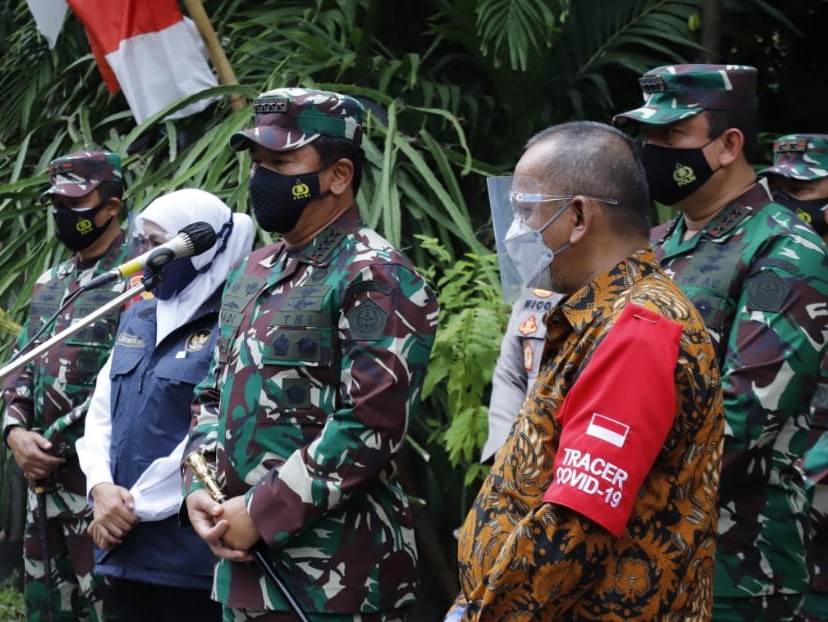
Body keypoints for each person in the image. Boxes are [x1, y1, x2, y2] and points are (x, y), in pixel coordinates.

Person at [183, 88, 439, 621]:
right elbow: (211, 392)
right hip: (245, 572)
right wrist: (199, 488)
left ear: (338, 175)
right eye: (257, 163)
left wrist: (262, 511)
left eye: (280, 164)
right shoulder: (253, 271)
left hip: (339, 579)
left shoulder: (375, 274)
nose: (262, 178)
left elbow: (371, 422)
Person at [450, 121, 723, 620]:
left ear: (578, 216)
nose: (513, 232)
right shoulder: (598, 315)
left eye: (526, 211)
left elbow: (576, 523)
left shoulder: (639, 329)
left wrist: (483, 612)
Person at [614, 65, 828, 620]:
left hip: (736, 567)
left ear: (729, 145)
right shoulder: (652, 246)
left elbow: (741, 416)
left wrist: (608, 477)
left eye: (671, 135)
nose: (652, 152)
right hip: (637, 557)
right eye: (648, 136)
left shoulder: (785, 251)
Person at [76, 188, 253, 622]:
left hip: (185, 552)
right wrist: (100, 487)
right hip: (123, 546)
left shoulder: (234, 323)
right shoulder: (139, 316)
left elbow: (214, 430)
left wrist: (128, 508)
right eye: (145, 243)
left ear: (199, 248)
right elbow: (102, 412)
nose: (148, 256)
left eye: (160, 244)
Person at [3, 151, 132, 622]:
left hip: (100, 491)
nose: (63, 214)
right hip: (44, 492)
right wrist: (15, 432)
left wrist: (52, 443)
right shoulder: (51, 283)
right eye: (57, 203)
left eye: (75, 203)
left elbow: (130, 384)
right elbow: (20, 364)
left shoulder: (139, 279)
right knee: (46, 607)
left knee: (108, 608)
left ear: (112, 206)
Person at [759, 132, 828, 622]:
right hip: (775, 520)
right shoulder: (774, 270)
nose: (787, 202)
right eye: (779, 188)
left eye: (802, 189)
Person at [480, 288, 563, 461]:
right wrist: (505, 449)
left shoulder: (617, 291)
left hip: (581, 459)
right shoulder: (539, 285)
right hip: (524, 457)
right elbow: (510, 377)